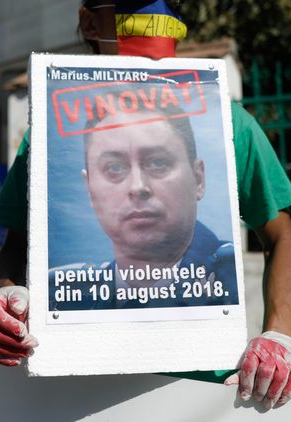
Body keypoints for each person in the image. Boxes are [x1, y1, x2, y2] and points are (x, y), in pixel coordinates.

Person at [0, 0, 291, 410]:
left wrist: (280, 335)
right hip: (73, 397)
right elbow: (17, 245)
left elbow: (282, 235)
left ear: (198, 178)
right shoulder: (45, 136)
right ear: (90, 23)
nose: (156, 9)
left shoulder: (229, 123)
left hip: (203, 399)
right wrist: (5, 296)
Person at [49, 103, 237, 310]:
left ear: (198, 179)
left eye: (158, 163)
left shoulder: (233, 275)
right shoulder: (59, 295)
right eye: (114, 167)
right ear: (90, 189)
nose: (138, 187)